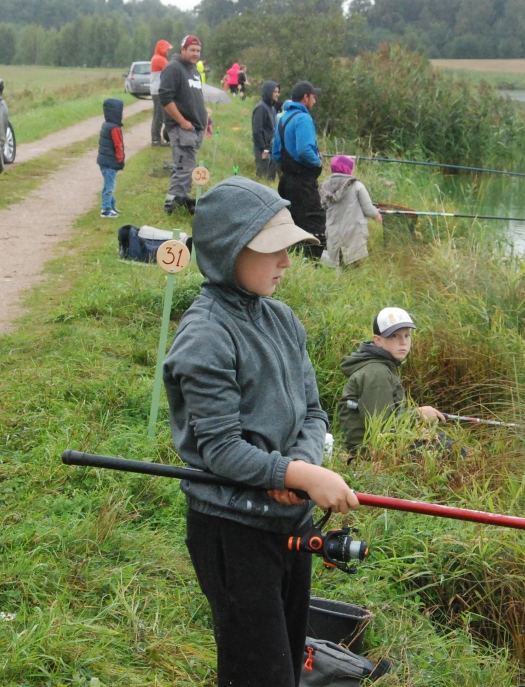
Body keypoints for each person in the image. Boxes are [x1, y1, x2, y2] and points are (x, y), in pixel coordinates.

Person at [163, 176, 359, 687]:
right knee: (257, 672)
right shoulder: (205, 334)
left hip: (289, 521)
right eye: (272, 250)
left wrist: (300, 469)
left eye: (288, 249)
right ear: (229, 251)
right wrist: (288, 470)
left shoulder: (284, 319)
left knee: (287, 662)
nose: (286, 263)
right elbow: (222, 450)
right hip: (233, 530)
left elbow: (313, 412)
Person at [337, 307, 446, 454]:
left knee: (442, 440)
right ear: (378, 340)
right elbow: (380, 426)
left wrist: (415, 428)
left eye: (407, 335)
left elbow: (390, 416)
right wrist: (418, 414)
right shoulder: (376, 373)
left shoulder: (383, 366)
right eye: (394, 336)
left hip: (383, 444)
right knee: (452, 450)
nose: (403, 342)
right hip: (371, 453)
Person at [272, 81, 326, 258]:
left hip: (286, 181)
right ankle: (312, 263)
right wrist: (317, 161)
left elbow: (276, 153)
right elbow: (304, 150)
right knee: (314, 221)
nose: (315, 101)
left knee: (291, 221)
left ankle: (291, 259)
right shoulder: (304, 118)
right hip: (303, 183)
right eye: (313, 97)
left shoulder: (283, 117)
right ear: (306, 97)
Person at [160, 35, 207, 215]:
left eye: (198, 51)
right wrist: (182, 122)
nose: (195, 54)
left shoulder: (193, 70)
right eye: (192, 50)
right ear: (183, 50)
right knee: (184, 168)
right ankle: (171, 207)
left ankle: (180, 202)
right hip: (181, 129)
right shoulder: (174, 68)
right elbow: (165, 98)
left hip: (194, 129)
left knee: (188, 167)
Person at [319, 155, 382, 267]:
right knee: (354, 261)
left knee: (337, 261)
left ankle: (339, 277)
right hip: (353, 230)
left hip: (334, 230)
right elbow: (367, 208)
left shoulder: (325, 186)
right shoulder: (356, 185)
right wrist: (375, 213)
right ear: (348, 169)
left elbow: (323, 205)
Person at [96, 98, 125, 219]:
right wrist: (120, 159)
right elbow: (118, 145)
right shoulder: (114, 128)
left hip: (103, 161)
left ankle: (111, 205)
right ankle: (106, 209)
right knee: (110, 186)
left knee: (109, 183)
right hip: (110, 161)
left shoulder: (106, 125)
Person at [252, 80, 280, 181]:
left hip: (271, 149)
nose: (278, 94)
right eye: (275, 92)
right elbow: (257, 130)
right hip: (263, 150)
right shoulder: (261, 108)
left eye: (278, 92)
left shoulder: (272, 108)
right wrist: (263, 149)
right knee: (262, 179)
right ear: (268, 92)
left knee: (270, 179)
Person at [149, 39, 171, 147]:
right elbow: (171, 70)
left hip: (158, 90)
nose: (168, 51)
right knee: (159, 115)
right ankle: (156, 140)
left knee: (159, 114)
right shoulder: (159, 59)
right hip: (158, 91)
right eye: (167, 49)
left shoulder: (159, 58)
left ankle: (157, 139)